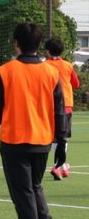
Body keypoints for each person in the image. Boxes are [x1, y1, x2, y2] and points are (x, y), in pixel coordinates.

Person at [0, 23, 64, 219]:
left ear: (16, 42)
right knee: (35, 186)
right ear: (39, 44)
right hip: (42, 140)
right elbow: (59, 110)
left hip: (14, 141)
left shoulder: (6, 71)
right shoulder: (51, 72)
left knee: (23, 194)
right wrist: (61, 142)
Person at [45, 37, 80, 180]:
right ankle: (58, 166)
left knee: (55, 138)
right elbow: (76, 84)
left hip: (49, 105)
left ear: (47, 51)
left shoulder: (44, 65)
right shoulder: (68, 65)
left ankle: (63, 165)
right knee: (63, 137)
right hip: (66, 105)